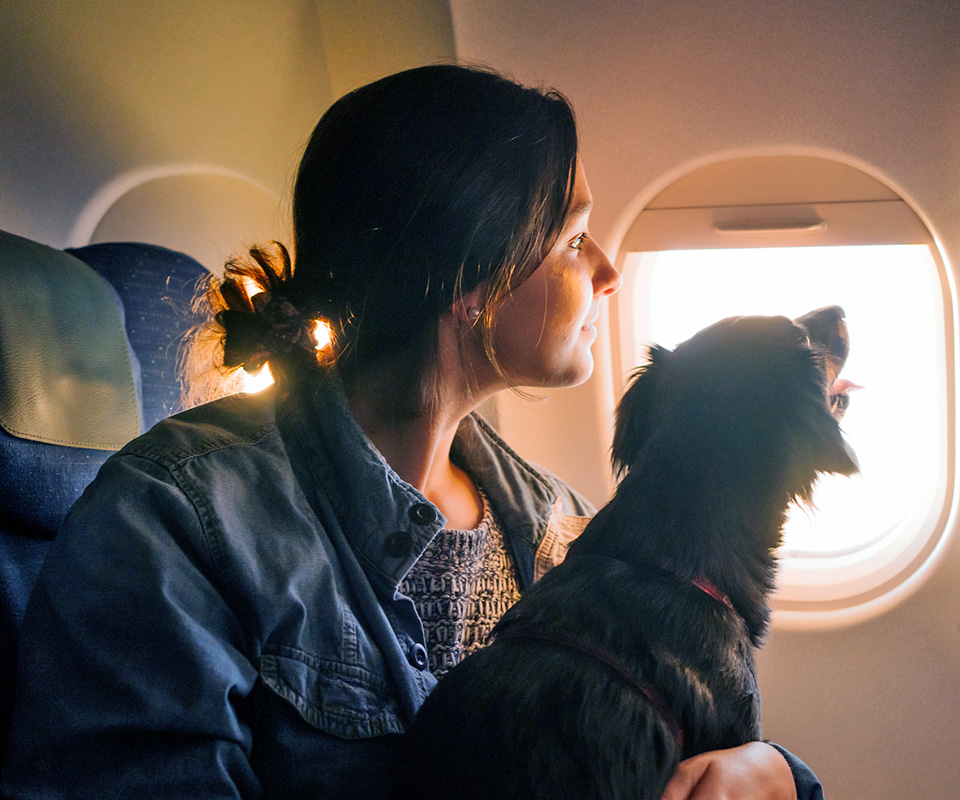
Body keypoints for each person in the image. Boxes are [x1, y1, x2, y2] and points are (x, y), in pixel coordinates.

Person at [0, 64, 819, 799]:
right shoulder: (177, 523)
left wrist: (772, 771)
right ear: (472, 279)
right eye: (573, 239)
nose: (606, 271)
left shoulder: (558, 527)